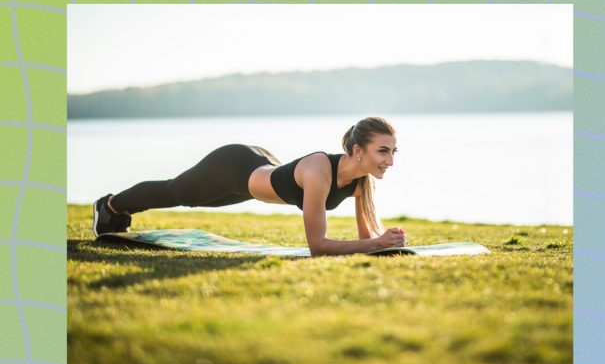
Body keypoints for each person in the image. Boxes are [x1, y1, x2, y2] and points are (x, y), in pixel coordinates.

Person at [92, 116, 407, 256]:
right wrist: (374, 244)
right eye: (383, 151)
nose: (390, 161)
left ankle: (114, 208)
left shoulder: (362, 182)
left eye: (393, 152)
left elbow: (367, 241)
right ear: (357, 151)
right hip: (234, 167)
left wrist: (384, 241)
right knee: (177, 192)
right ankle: (111, 206)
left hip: (253, 181)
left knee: (197, 201)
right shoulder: (319, 171)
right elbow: (318, 247)